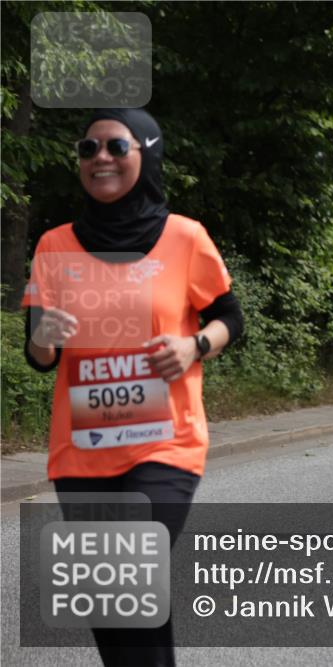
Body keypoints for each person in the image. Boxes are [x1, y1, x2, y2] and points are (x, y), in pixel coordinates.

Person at [21, 109, 243, 666]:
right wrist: (45, 336)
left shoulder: (185, 238)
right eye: (88, 148)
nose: (100, 157)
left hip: (164, 441)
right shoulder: (54, 245)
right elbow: (39, 357)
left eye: (116, 146)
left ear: (146, 155)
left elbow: (230, 317)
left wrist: (195, 346)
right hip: (81, 451)